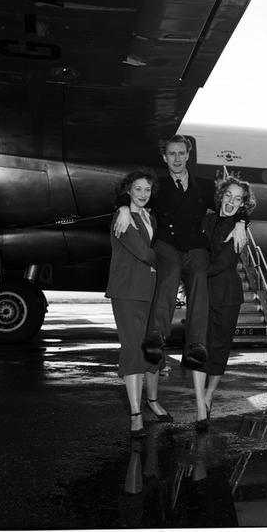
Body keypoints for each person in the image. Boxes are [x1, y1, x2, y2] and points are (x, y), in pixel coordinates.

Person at [113, 135, 247, 371]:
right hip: (167, 243)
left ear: (188, 155)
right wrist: (123, 208)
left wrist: (241, 223)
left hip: (195, 245)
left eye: (181, 153)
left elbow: (233, 204)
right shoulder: (158, 186)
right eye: (171, 154)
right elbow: (130, 192)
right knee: (170, 271)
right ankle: (156, 335)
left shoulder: (205, 186)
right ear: (165, 158)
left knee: (199, 277)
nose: (177, 158)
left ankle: (196, 344)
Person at [106, 170, 173, 438]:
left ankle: (152, 401)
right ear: (128, 191)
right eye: (137, 189)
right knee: (134, 349)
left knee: (153, 346)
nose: (143, 194)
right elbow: (143, 252)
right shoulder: (122, 217)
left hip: (151, 291)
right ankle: (135, 413)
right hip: (128, 291)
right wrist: (172, 263)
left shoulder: (150, 217)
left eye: (147, 189)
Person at [192, 177, 257, 431]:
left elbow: (222, 263)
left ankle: (209, 395)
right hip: (202, 291)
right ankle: (200, 406)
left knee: (219, 349)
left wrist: (193, 275)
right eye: (228, 195)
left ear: (242, 204)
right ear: (221, 196)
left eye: (237, 199)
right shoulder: (206, 220)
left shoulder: (238, 228)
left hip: (226, 295)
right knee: (197, 346)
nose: (231, 201)